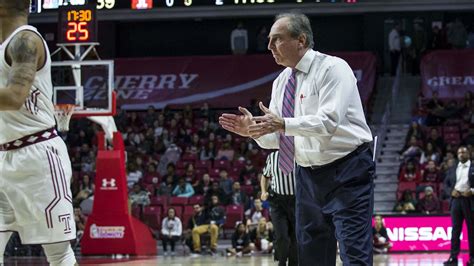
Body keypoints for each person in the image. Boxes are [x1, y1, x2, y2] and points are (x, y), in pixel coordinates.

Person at [219, 12, 374, 265]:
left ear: (301, 40)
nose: (269, 47)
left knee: (354, 253)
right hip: (306, 175)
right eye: (269, 40)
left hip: (348, 170)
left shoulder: (333, 68)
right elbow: (280, 139)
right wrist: (255, 132)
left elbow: (327, 122)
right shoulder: (281, 81)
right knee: (310, 255)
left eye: (277, 39)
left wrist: (282, 123)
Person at [0, 1, 77, 265]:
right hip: (3, 156)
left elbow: (14, 97)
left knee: (58, 253)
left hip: (37, 156)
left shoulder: (25, 41)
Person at [261, 151, 297, 266]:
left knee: (295, 236)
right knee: (282, 236)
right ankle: (281, 262)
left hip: (296, 200)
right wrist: (263, 191)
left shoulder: (300, 155)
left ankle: (293, 263)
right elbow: (265, 176)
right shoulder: (272, 157)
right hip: (277, 201)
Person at [443, 147, 474, 266]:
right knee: (455, 230)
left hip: (469, 200)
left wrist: (472, 190)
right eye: (459, 152)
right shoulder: (453, 168)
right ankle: (453, 258)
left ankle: (472, 258)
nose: (461, 154)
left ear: (469, 153)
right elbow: (445, 184)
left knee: (472, 230)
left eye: (463, 152)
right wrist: (451, 191)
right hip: (456, 200)